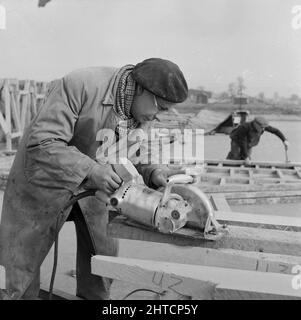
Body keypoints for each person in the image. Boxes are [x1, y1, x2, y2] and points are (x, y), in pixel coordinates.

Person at [0, 58, 188, 300]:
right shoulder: (80, 85)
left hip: (97, 189)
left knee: (101, 267)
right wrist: (91, 170)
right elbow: (43, 142)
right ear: (142, 89)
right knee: (20, 272)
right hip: (43, 184)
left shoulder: (142, 110)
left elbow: (137, 149)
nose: (159, 116)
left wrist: (153, 171)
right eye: (161, 108)